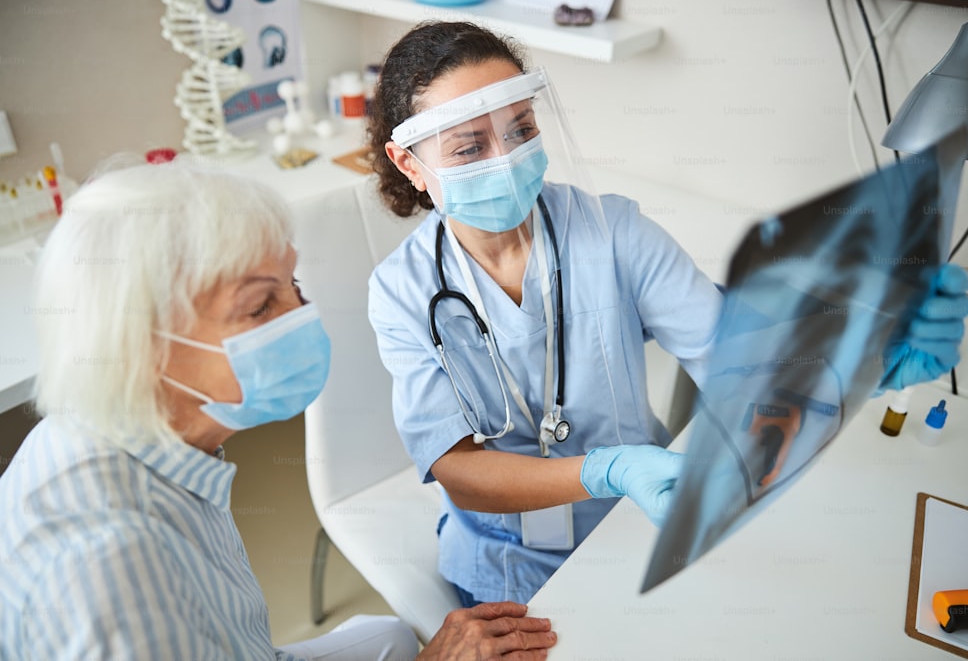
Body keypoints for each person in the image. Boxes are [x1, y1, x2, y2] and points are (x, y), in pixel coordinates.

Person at [366, 21, 968, 606]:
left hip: (640, 513)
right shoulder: (400, 292)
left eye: (521, 130)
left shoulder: (613, 233)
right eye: (470, 146)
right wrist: (606, 469)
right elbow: (458, 468)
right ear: (409, 163)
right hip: (505, 557)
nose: (504, 159)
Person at [0, 159, 557, 660]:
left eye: (292, 285)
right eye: (261, 305)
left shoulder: (121, 433)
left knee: (388, 636)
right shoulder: (112, 576)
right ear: (146, 348)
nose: (303, 316)